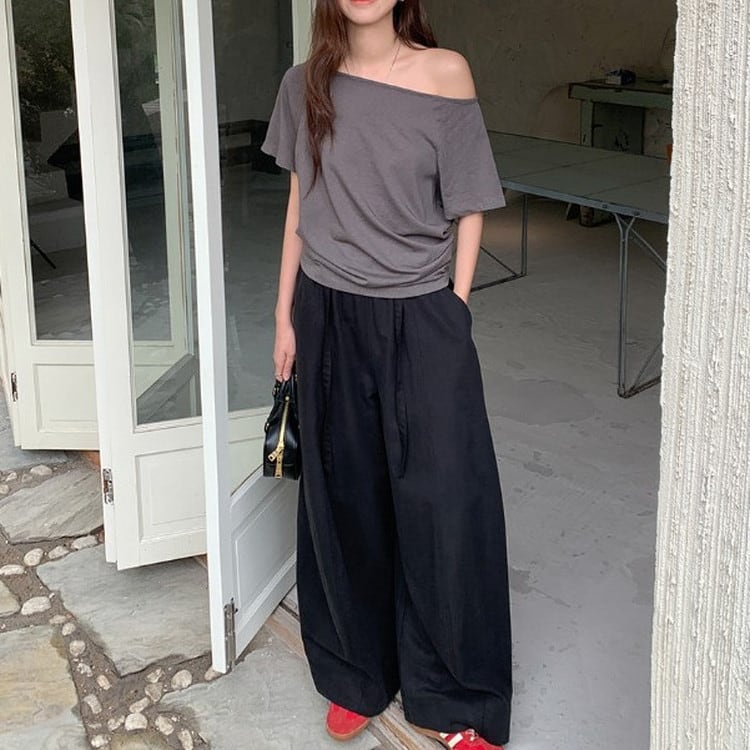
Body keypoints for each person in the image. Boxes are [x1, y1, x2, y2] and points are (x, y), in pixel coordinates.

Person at [260, 1, 512, 748]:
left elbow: (470, 204)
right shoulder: (304, 83)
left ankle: (456, 698)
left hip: (421, 314)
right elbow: (300, 202)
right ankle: (355, 674)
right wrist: (283, 315)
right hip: (327, 310)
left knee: (444, 504)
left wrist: (455, 309)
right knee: (344, 500)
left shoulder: (445, 74)